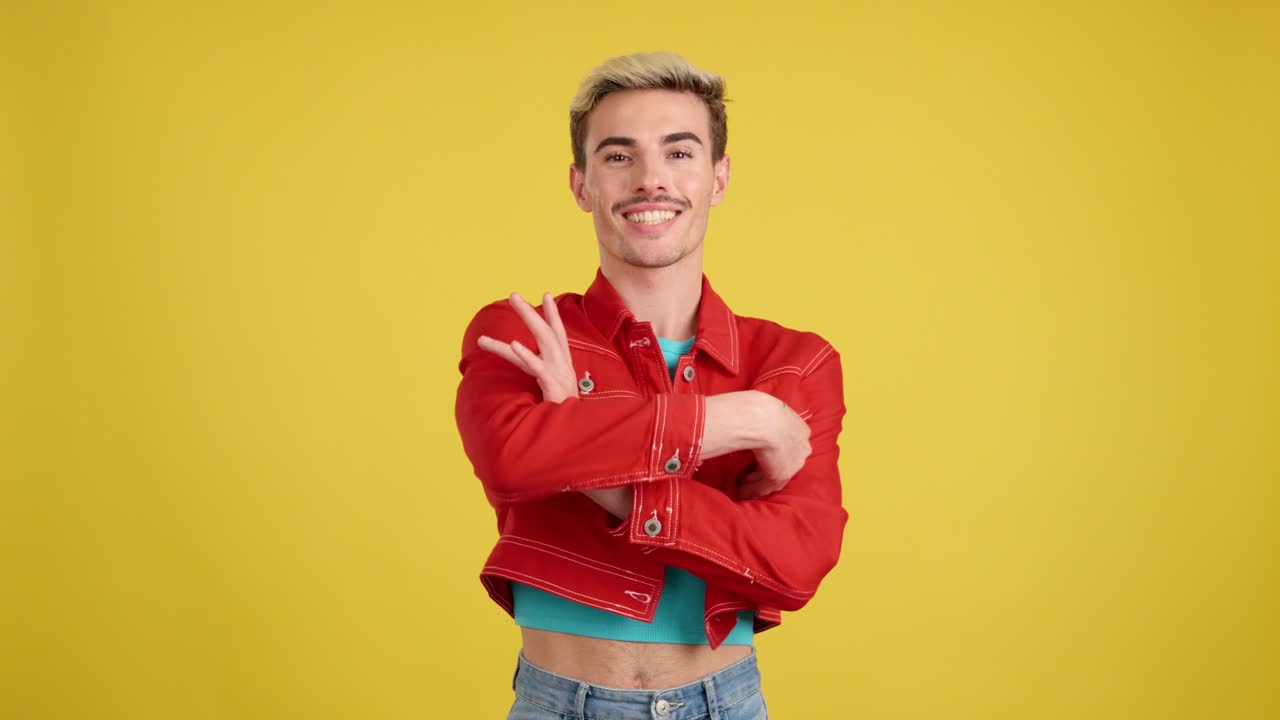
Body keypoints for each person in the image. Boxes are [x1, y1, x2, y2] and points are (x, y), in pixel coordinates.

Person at [454, 51, 848, 720]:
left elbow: (797, 561)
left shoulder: (795, 363)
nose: (650, 180)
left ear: (718, 177)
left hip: (726, 704)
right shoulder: (526, 331)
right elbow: (509, 457)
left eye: (680, 152)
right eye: (618, 156)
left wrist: (579, 436)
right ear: (580, 185)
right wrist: (739, 418)